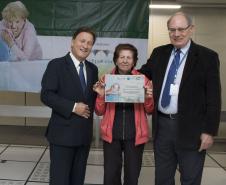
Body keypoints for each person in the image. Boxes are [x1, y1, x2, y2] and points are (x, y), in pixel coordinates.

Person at [139, 12, 221, 185]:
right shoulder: (159, 53)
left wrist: (209, 131)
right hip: (162, 127)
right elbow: (141, 75)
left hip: (192, 130)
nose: (176, 34)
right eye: (172, 30)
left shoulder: (207, 57)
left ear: (191, 29)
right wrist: (115, 79)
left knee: (190, 179)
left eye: (181, 29)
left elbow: (214, 97)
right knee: (162, 178)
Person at [40, 27, 98, 185]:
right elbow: (46, 95)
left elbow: (89, 99)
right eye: (82, 41)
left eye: (90, 43)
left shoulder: (93, 69)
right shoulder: (56, 65)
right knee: (60, 180)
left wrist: (100, 93)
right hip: (62, 135)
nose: (85, 45)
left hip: (83, 136)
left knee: (78, 180)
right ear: (72, 42)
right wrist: (73, 107)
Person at [93, 43, 154, 185]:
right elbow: (99, 111)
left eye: (129, 57)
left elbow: (150, 110)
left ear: (134, 61)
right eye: (121, 57)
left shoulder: (143, 80)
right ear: (115, 59)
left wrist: (148, 98)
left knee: (132, 176)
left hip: (135, 135)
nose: (125, 60)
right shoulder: (106, 79)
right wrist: (101, 95)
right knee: (110, 176)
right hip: (112, 134)